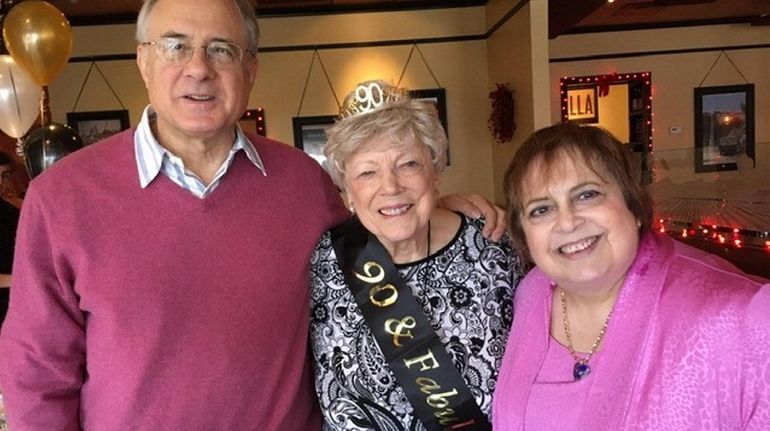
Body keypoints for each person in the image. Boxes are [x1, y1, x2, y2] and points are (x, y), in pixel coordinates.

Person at [0, 1, 505, 430]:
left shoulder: (305, 183)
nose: (199, 68)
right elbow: (35, 377)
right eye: (175, 45)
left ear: (251, 68)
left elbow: (379, 221)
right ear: (143, 61)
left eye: (221, 48)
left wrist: (434, 207)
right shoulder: (59, 198)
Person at [493, 122, 770, 429]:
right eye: (541, 210)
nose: (567, 222)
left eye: (587, 194)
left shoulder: (743, 316)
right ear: (526, 239)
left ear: (633, 206)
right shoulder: (530, 294)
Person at [309, 80, 526, 431]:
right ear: (347, 189)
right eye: (367, 172)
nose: (391, 187)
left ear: (435, 172)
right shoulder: (322, 262)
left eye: (408, 164)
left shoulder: (492, 248)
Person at [0, 151, 20, 325]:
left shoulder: (12, 213)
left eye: (4, 176)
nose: (0, 183)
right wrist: (20, 279)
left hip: (13, 308)